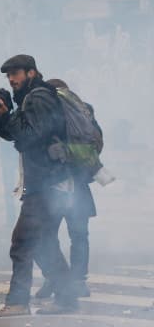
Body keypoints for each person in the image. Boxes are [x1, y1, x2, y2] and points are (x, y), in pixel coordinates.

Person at [0, 54, 77, 316]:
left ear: (31, 72)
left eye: (16, 74)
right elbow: (16, 133)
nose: (12, 79)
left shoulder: (39, 97)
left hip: (46, 185)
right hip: (48, 184)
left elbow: (28, 136)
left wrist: (8, 116)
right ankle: (68, 297)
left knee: (23, 243)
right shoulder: (31, 98)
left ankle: (17, 302)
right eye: (9, 75)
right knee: (44, 243)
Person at [33, 78, 96, 301]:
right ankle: (77, 280)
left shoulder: (47, 113)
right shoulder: (83, 111)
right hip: (78, 184)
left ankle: (55, 278)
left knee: (46, 235)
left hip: (55, 185)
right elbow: (95, 145)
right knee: (79, 235)